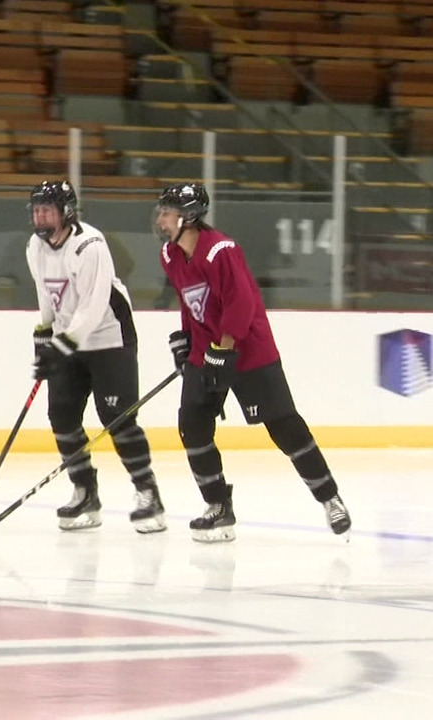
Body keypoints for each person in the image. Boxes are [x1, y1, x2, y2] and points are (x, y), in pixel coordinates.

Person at [154, 183, 350, 542]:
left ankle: (329, 498)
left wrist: (222, 348)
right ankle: (218, 507)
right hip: (206, 350)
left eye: (168, 212)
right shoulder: (170, 255)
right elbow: (190, 301)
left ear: (189, 217)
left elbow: (240, 304)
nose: (161, 218)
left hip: (248, 350)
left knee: (284, 427)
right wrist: (186, 340)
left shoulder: (221, 252)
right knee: (192, 425)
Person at [26, 180, 166, 533]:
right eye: (37, 209)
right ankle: (85, 491)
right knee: (62, 415)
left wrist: (62, 344)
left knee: (117, 417)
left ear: (66, 211)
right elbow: (46, 293)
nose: (40, 216)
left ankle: (148, 493)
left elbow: (93, 305)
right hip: (68, 340)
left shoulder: (90, 245)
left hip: (109, 338)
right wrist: (44, 333)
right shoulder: (35, 246)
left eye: (47, 209)